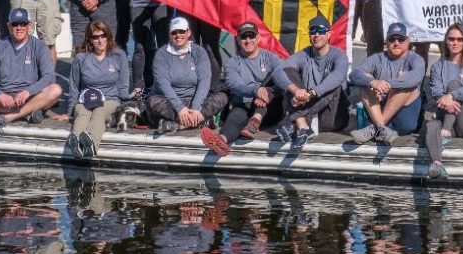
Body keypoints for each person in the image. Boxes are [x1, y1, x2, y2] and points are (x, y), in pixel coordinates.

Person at [200, 21, 283, 157]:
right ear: (238, 39)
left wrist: (270, 92)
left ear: (258, 38)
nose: (248, 40)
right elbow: (235, 85)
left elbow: (284, 79)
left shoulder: (270, 57)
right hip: (245, 107)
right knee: (235, 115)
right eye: (244, 37)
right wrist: (256, 90)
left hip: (270, 111)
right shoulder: (232, 63)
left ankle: (255, 122)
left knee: (266, 91)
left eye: (251, 36)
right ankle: (221, 142)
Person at [271, 15, 351, 149]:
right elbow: (277, 72)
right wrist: (296, 91)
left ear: (329, 34)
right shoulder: (303, 54)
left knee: (334, 84)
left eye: (321, 31)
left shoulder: (339, 54)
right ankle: (302, 126)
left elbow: (339, 75)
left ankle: (297, 123)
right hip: (308, 110)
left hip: (332, 118)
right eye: (313, 31)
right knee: (289, 72)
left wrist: (310, 94)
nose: (317, 35)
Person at [0, 8, 62, 127]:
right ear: (9, 26)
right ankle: (27, 113)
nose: (19, 27)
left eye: (23, 24)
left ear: (29, 26)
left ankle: (8, 117)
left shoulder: (40, 46)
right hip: (5, 99)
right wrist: (0, 94)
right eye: (15, 24)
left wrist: (28, 91)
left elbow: (49, 76)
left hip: (30, 97)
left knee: (55, 90)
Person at [422, 23, 463, 179]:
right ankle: (437, 164)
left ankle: (445, 132)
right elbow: (436, 92)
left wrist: (450, 95)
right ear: (446, 42)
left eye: (459, 39)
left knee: (454, 85)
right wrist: (445, 98)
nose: (455, 43)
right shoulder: (437, 66)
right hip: (446, 119)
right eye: (451, 39)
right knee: (431, 124)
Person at [62, 20, 130, 159]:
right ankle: (76, 144)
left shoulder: (118, 55)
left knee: (99, 111)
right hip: (86, 99)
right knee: (82, 112)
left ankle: (92, 144)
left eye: (103, 36)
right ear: (90, 40)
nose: (100, 40)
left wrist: (125, 105)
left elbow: (123, 85)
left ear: (108, 36)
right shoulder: (81, 58)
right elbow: (74, 87)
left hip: (110, 99)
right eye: (95, 37)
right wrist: (69, 113)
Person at [349, 22, 425, 145]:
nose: (396, 43)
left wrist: (386, 85)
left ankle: (376, 128)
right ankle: (382, 127)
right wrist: (373, 82)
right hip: (381, 111)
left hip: (405, 122)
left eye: (400, 39)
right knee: (365, 81)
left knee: (405, 85)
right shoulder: (377, 58)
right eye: (392, 39)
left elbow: (415, 77)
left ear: (407, 41)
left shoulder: (415, 59)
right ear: (386, 41)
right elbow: (354, 74)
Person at [149, 16, 229, 133]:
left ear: (188, 32)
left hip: (194, 101)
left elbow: (204, 81)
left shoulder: (199, 52)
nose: (178, 35)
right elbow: (163, 85)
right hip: (170, 103)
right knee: (153, 102)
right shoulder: (161, 54)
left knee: (223, 96)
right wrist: (180, 109)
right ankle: (200, 121)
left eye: (181, 31)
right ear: (170, 35)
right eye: (174, 32)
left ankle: (180, 125)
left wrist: (196, 108)